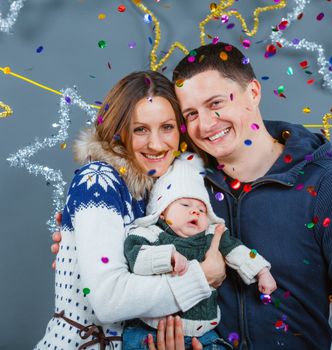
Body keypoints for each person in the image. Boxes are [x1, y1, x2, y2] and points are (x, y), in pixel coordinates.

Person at [52, 42, 332, 349]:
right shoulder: (183, 183)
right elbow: (127, 253)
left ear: (252, 92)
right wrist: (75, 245)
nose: (207, 124)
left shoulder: (327, 187)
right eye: (191, 114)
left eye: (216, 104)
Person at [38, 70, 226, 350]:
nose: (156, 143)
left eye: (167, 127)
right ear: (119, 131)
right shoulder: (98, 180)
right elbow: (108, 300)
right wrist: (202, 277)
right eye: (140, 129)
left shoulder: (154, 194)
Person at [122, 153, 276, 349]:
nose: (194, 211)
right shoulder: (151, 234)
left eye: (202, 210)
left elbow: (239, 251)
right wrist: (167, 256)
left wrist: (262, 271)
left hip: (203, 333)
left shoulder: (212, 235)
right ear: (162, 211)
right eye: (185, 205)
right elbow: (136, 257)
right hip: (150, 329)